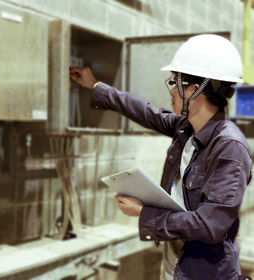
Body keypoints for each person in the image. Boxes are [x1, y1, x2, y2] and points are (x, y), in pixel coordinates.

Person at [69, 34, 252, 280]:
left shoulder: (229, 147)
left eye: (175, 83)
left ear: (194, 91)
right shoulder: (186, 128)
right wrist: (95, 86)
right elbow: (145, 111)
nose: (172, 91)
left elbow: (212, 225)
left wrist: (145, 213)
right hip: (175, 265)